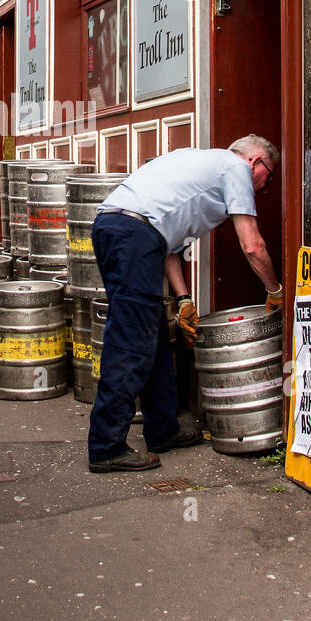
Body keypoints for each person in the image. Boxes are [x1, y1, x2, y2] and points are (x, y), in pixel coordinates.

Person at [87, 135, 282, 473]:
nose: (265, 189)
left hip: (120, 227)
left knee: (154, 334)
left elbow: (169, 243)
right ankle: (106, 446)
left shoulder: (199, 162)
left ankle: (163, 430)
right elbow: (252, 245)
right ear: (255, 162)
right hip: (134, 234)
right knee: (131, 339)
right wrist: (276, 290)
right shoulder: (235, 168)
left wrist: (184, 298)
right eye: (270, 176)